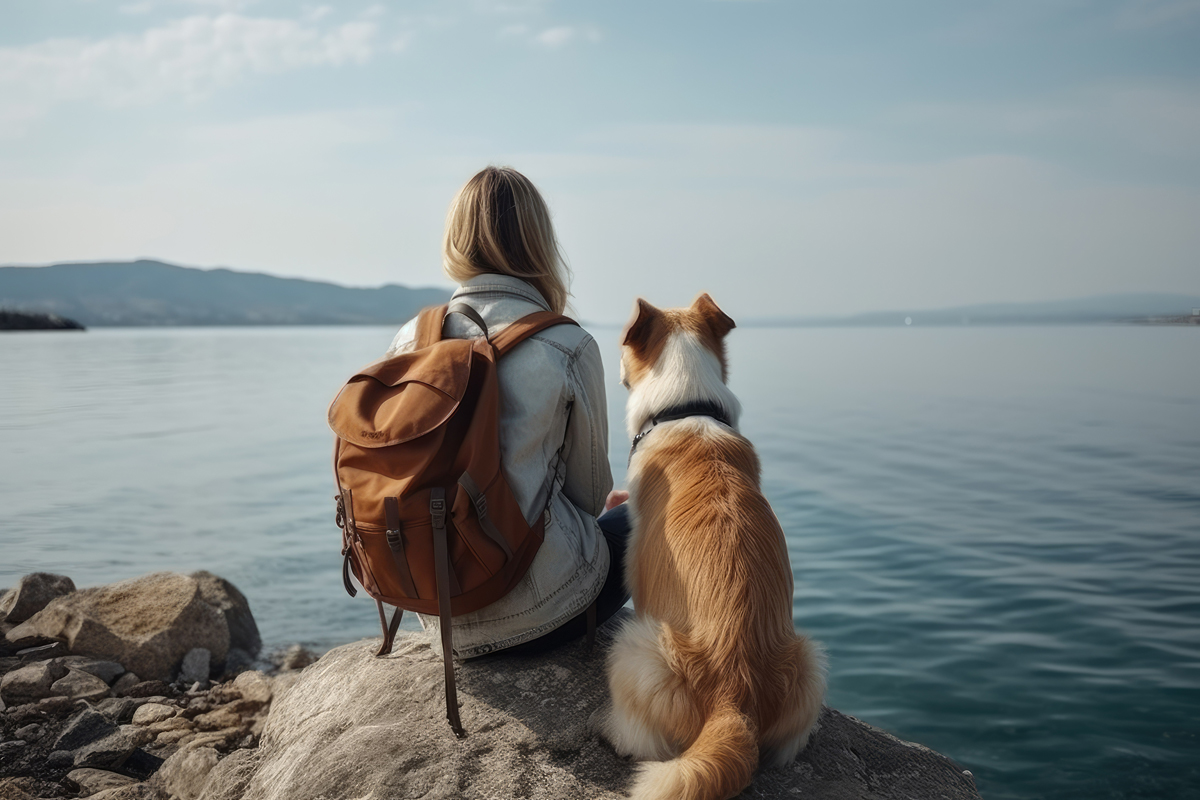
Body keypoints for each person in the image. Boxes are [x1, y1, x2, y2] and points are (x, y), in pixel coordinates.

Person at [385, 166, 630, 657]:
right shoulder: (567, 344)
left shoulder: (411, 338)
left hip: (439, 614)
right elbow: (589, 494)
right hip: (549, 612)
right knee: (652, 512)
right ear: (538, 241)